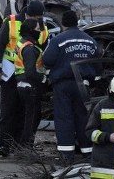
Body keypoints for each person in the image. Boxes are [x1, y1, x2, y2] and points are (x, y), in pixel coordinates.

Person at [0, 0, 49, 157]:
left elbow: (44, 49)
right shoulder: (11, 22)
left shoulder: (43, 27)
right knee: (8, 110)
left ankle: (19, 146)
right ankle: (4, 145)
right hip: (9, 73)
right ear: (28, 14)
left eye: (40, 17)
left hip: (27, 75)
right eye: (36, 17)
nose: (38, 20)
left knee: (26, 112)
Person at [42, 9, 100, 163]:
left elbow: (47, 59)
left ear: (64, 23)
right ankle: (87, 151)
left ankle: (66, 154)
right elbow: (98, 62)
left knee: (64, 117)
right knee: (83, 117)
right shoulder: (90, 40)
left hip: (63, 85)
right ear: (77, 22)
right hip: (83, 85)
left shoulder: (59, 40)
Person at [15, 17, 46, 150]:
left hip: (22, 85)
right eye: (38, 29)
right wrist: (44, 78)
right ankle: (26, 147)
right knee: (32, 119)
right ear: (31, 30)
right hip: (30, 87)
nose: (40, 32)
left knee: (26, 117)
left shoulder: (21, 43)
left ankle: (22, 145)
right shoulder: (30, 48)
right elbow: (30, 72)